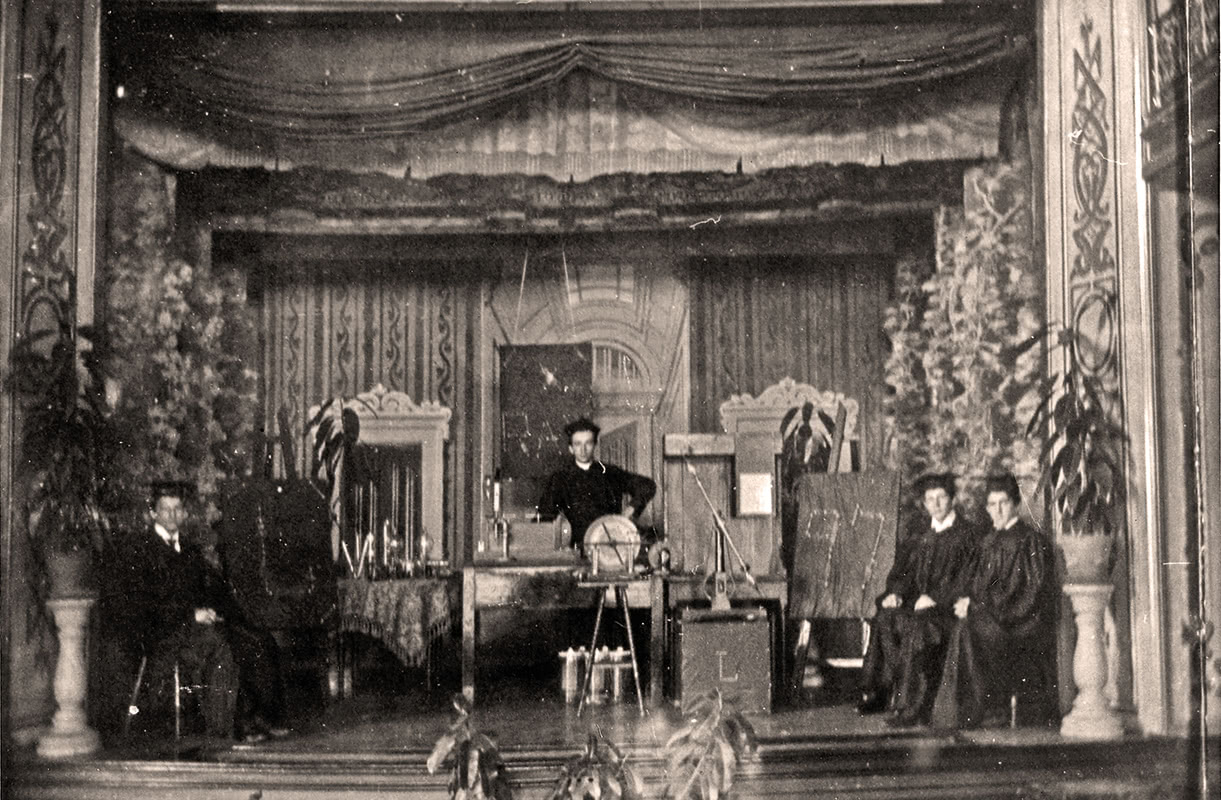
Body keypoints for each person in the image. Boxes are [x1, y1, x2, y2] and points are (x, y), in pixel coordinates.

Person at [105, 480, 288, 742]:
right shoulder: (141, 550)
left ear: (184, 513)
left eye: (177, 509)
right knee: (222, 646)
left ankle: (261, 716)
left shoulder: (190, 549)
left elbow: (212, 587)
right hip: (163, 633)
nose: (172, 515)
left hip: (195, 625)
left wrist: (222, 611)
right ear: (153, 513)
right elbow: (145, 604)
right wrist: (190, 616)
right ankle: (224, 731)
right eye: (165, 509)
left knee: (256, 639)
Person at [931, 474, 1057, 728]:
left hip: (1019, 625)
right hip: (990, 618)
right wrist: (967, 602)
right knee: (960, 626)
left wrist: (978, 608)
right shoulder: (987, 542)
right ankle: (965, 712)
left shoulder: (1030, 541)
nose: (997, 510)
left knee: (968, 628)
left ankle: (980, 710)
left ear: (1016, 504)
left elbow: (1029, 596)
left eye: (1004, 503)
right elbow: (975, 586)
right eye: (992, 504)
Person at [857, 472, 977, 726]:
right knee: (886, 618)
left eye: (941, 497)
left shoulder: (968, 536)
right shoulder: (920, 537)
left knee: (919, 627)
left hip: (947, 612)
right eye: (929, 499)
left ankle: (912, 706)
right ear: (923, 503)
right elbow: (903, 575)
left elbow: (969, 580)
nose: (935, 504)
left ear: (952, 500)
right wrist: (897, 595)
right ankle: (880, 692)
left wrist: (936, 599)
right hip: (919, 608)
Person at [537, 418, 656, 556]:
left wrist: (630, 511)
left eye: (588, 443)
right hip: (577, 551)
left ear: (595, 445)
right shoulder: (560, 478)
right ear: (571, 448)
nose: (583, 449)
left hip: (612, 547)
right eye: (577, 444)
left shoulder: (610, 472)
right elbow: (545, 517)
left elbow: (648, 486)